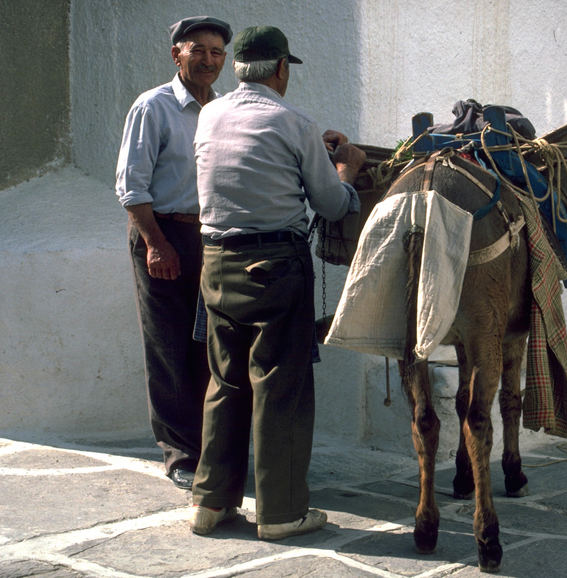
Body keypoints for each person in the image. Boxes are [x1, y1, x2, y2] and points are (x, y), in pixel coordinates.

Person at [189, 25, 366, 539]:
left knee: (225, 382)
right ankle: (282, 513)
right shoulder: (295, 122)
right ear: (282, 69)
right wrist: (345, 170)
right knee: (279, 385)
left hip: (216, 263)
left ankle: (210, 503)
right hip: (275, 268)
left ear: (239, 67)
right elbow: (332, 204)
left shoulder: (210, 115)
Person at [115, 16, 232, 490]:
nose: (208, 60)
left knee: (210, 346)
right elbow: (131, 186)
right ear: (176, 55)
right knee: (168, 346)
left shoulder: (225, 110)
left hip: (211, 238)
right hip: (161, 234)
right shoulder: (153, 107)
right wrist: (155, 244)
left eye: (217, 53)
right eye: (198, 50)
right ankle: (181, 455)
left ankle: (213, 447)